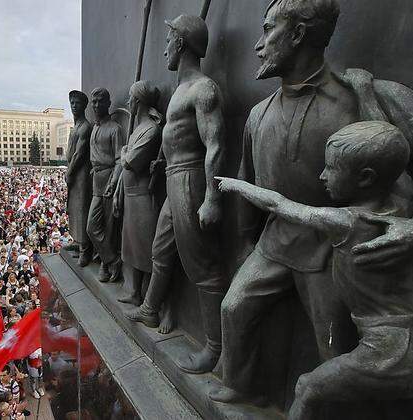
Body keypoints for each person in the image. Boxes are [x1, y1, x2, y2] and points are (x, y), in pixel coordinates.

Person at [212, 0, 413, 405]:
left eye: (268, 30)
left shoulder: (369, 95)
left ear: (298, 34)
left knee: (332, 341)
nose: (258, 46)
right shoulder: (258, 114)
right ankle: (241, 383)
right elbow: (247, 181)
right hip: (275, 240)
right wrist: (245, 241)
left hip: (335, 246)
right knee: (235, 306)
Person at [125, 14, 228, 374]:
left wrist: (212, 198)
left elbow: (214, 144)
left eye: (169, 40)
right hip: (172, 177)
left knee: (203, 267)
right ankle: (151, 307)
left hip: (190, 181)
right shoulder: (180, 92)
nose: (165, 48)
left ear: (181, 42)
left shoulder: (203, 89)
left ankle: (215, 349)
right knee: (160, 249)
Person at [115, 80, 163, 307]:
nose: (128, 103)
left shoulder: (151, 130)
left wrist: (125, 152)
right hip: (130, 195)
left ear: (138, 102)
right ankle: (134, 291)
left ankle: (153, 299)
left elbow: (130, 161)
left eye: (131, 99)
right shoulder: (137, 130)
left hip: (143, 198)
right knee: (131, 246)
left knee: (144, 248)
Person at [86, 87, 125, 282]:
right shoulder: (95, 127)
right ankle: (112, 259)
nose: (95, 105)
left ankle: (105, 263)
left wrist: (114, 181)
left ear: (108, 104)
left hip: (109, 178)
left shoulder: (115, 129)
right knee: (92, 227)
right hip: (97, 180)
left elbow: (120, 159)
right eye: (93, 101)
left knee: (109, 227)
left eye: (100, 101)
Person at [65, 90, 94, 267]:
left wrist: (70, 172)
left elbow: (79, 154)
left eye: (77, 103)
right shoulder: (75, 126)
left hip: (81, 175)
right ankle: (77, 241)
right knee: (74, 209)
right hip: (74, 174)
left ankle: (85, 249)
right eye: (72, 103)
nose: (74, 106)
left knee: (82, 209)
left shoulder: (85, 127)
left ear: (84, 106)